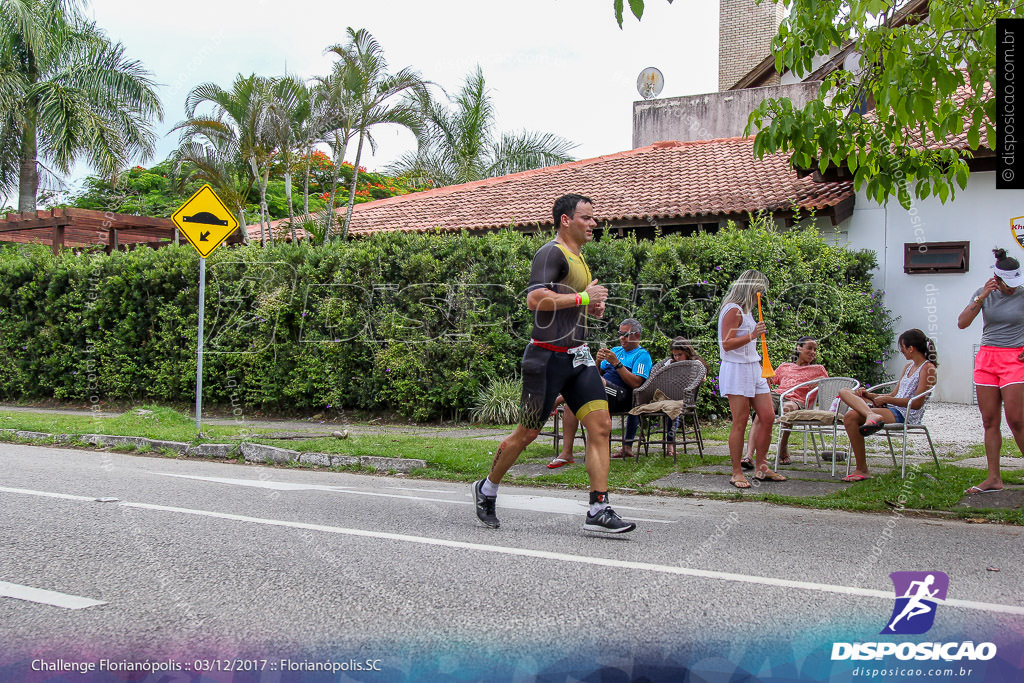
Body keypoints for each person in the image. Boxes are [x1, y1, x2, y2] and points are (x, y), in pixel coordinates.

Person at [472, 194, 636, 533]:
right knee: (528, 432)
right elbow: (535, 299)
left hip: (578, 358)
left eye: (594, 218)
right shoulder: (552, 253)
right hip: (545, 359)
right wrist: (583, 298)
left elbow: (567, 303)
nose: (594, 223)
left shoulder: (579, 259)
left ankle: (598, 508)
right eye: (587, 218)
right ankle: (487, 488)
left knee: (601, 426)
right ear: (565, 220)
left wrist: (588, 308)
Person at [956, 247, 1024, 494]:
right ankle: (994, 478)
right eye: (1008, 283)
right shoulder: (984, 295)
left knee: (1017, 420)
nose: (1012, 288)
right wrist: (981, 297)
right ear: (996, 278)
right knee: (989, 421)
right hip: (987, 359)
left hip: (1015, 359)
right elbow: (962, 323)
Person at [546, 318, 652, 468]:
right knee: (572, 403)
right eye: (620, 334)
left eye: (626, 334)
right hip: (602, 391)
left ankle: (556, 400)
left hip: (623, 397)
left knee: (599, 383)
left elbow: (636, 383)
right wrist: (597, 361)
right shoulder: (615, 351)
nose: (622, 338)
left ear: (638, 335)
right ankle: (566, 453)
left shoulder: (642, 355)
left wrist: (617, 364)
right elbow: (594, 375)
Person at [836, 329, 938, 482]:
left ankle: (862, 469)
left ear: (910, 348)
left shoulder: (928, 368)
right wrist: (869, 396)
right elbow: (893, 396)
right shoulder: (908, 367)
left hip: (906, 414)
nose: (902, 352)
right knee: (844, 391)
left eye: (902, 348)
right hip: (891, 409)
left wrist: (884, 399)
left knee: (850, 416)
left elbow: (916, 403)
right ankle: (871, 415)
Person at [717, 270, 784, 488]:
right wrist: (753, 334)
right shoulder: (733, 310)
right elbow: (726, 344)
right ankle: (737, 472)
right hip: (737, 369)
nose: (761, 293)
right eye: (759, 289)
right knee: (741, 420)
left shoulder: (746, 311)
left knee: (768, 415)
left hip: (753, 367)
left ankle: (762, 466)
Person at [742, 336, 829, 467]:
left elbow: (828, 386)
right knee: (761, 412)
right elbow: (770, 380)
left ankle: (783, 446)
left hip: (797, 401)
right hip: (777, 395)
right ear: (799, 348)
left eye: (815, 349)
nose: (813, 352)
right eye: (809, 348)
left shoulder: (818, 369)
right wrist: (759, 370)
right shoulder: (785, 367)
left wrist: (820, 382)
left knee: (787, 408)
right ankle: (748, 456)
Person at [654, 337, 708, 458]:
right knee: (670, 406)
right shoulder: (670, 363)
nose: (677, 358)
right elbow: (660, 377)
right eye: (675, 355)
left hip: (687, 398)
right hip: (669, 395)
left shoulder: (696, 363)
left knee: (673, 410)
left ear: (687, 352)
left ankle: (670, 444)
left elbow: (703, 378)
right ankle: (669, 443)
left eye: (680, 355)